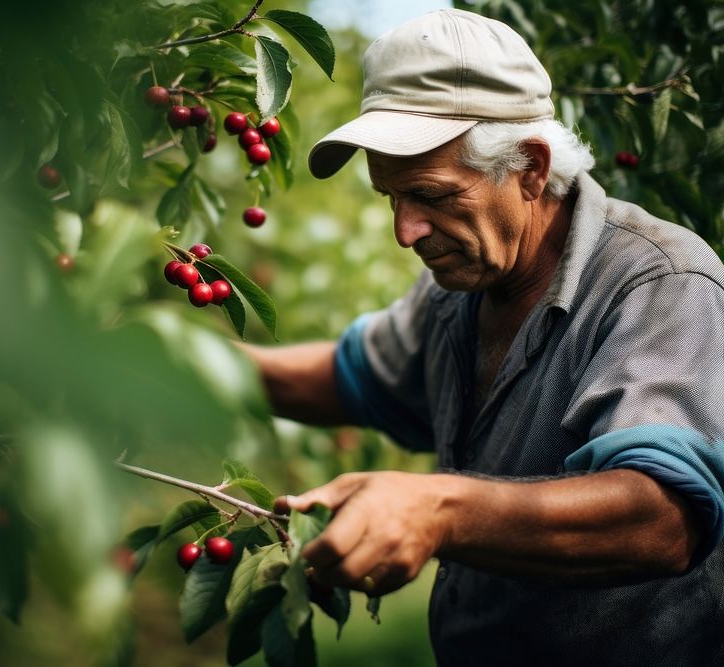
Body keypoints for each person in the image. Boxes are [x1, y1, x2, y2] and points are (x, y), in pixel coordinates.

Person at [242, 8, 724, 664]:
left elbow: (661, 517)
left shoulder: (657, 280)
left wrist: (439, 508)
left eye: (432, 195)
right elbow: (347, 377)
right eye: (391, 198)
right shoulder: (455, 294)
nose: (404, 230)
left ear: (529, 167)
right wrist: (178, 362)